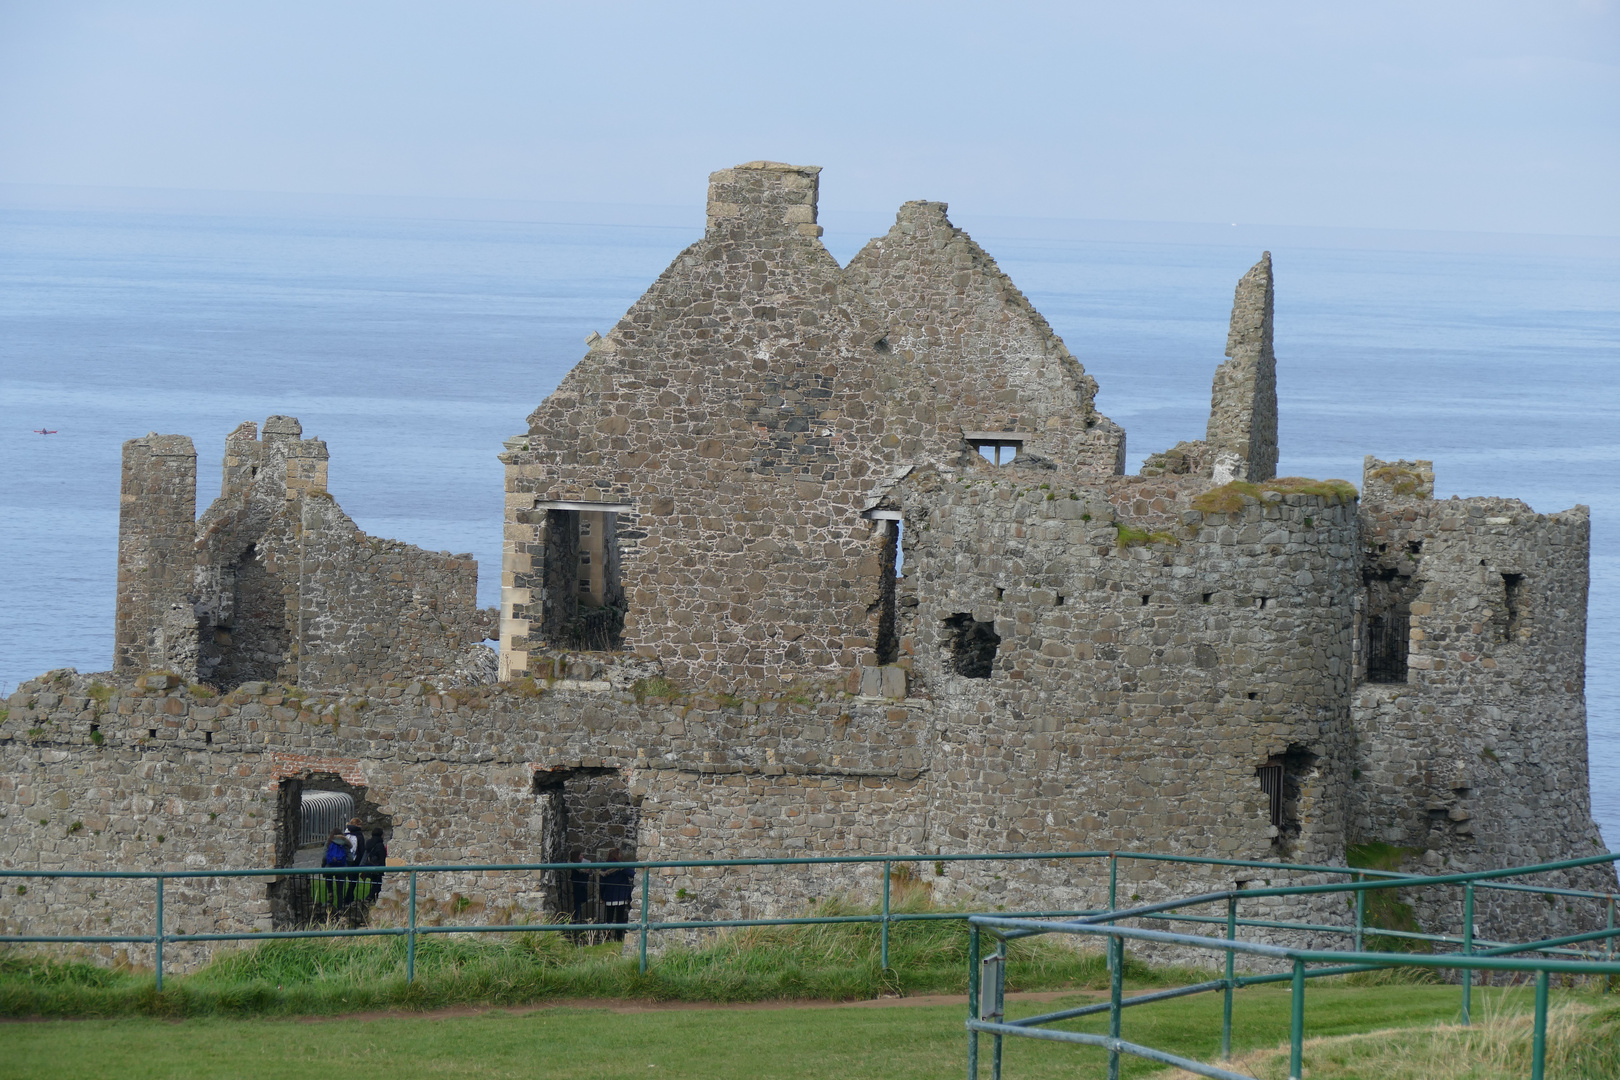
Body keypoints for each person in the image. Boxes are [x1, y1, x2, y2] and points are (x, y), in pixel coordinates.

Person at [600, 847, 635, 937]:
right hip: (620, 896)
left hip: (609, 896)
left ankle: (607, 937)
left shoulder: (604, 867)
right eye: (620, 854)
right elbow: (633, 874)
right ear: (616, 855)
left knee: (609, 919)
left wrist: (602, 896)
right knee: (620, 919)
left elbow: (602, 884)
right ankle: (618, 937)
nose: (621, 855)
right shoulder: (620, 866)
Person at [318, 828, 349, 910]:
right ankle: (340, 908)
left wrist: (324, 866)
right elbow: (350, 858)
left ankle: (330, 899)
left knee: (329, 883)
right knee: (340, 889)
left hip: (329, 867)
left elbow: (324, 856)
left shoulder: (329, 842)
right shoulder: (345, 842)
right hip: (342, 868)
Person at [359, 828, 387, 902]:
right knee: (377, 885)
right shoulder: (380, 845)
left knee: (375, 884)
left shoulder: (369, 843)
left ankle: (373, 899)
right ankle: (370, 898)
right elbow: (382, 857)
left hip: (369, 866)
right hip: (377, 867)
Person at [568, 851, 592, 924]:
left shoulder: (576, 866)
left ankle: (577, 921)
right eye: (580, 855)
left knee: (579, 906)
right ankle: (576, 921)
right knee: (578, 906)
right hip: (579, 888)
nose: (582, 856)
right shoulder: (575, 866)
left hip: (580, 888)